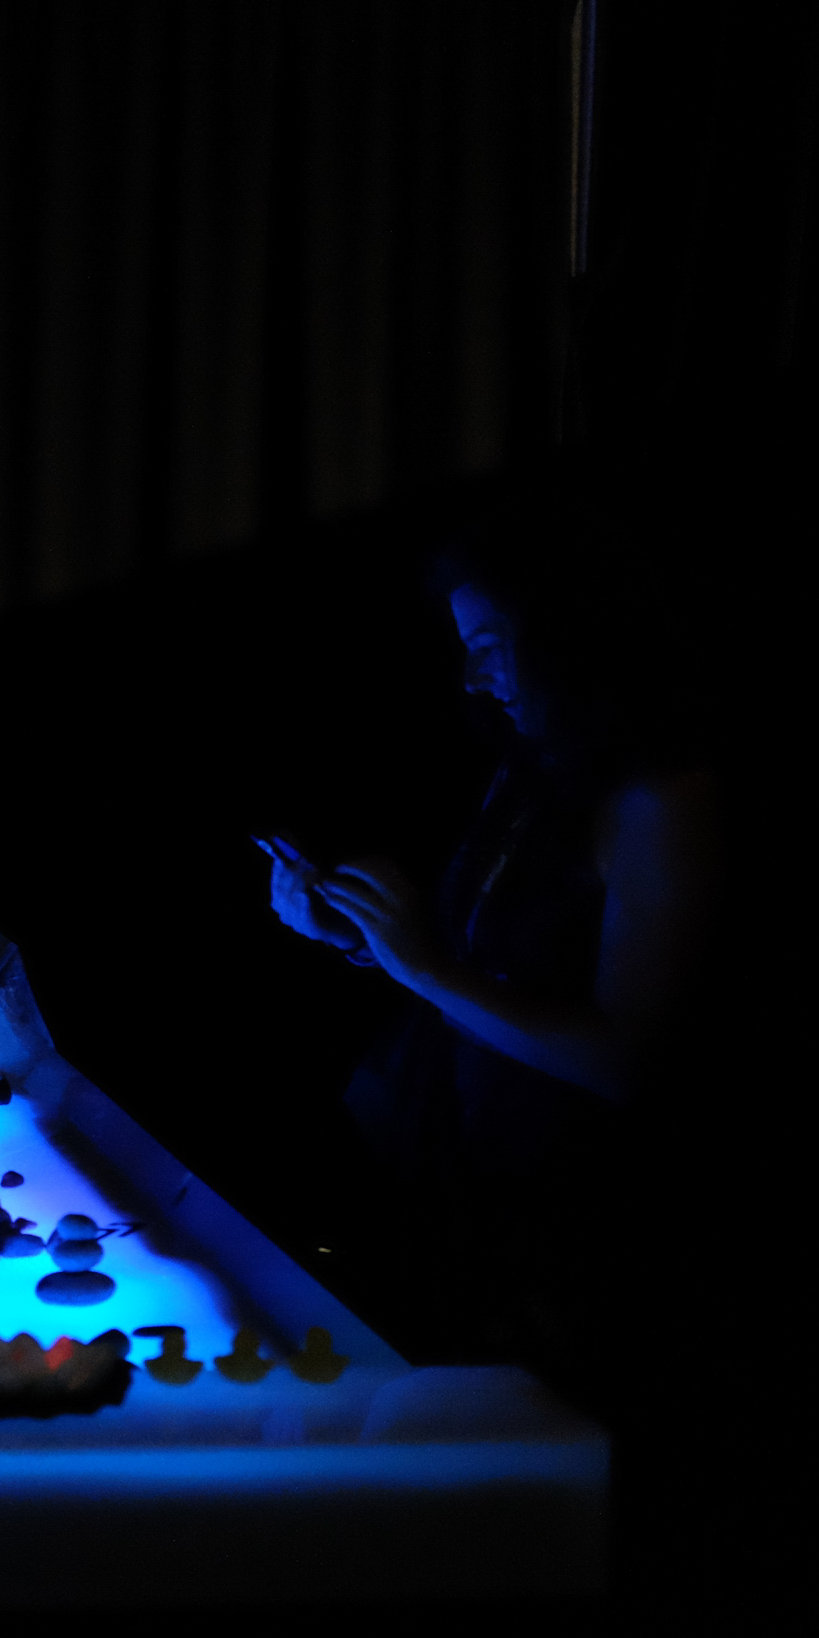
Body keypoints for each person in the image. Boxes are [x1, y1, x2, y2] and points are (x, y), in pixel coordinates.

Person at [265, 486, 722, 1374]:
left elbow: (632, 1063)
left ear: (564, 633)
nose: (473, 679)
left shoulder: (666, 799)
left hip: (560, 1238)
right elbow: (490, 970)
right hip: (454, 1180)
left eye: (489, 647)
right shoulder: (539, 759)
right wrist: (356, 936)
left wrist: (421, 968)